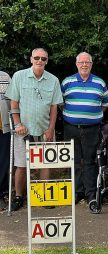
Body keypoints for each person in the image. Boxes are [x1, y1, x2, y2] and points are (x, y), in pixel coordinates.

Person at [5, 48, 63, 211]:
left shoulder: (53, 80)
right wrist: (17, 124)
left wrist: (51, 128)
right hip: (23, 131)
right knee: (22, 165)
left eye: (43, 59)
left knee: (45, 164)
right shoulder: (19, 76)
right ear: (31, 59)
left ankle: (44, 197)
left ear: (47, 61)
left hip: (45, 130)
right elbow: (14, 103)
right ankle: (18, 196)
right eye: (36, 58)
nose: (39, 61)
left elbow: (54, 107)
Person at [61, 52, 108, 204]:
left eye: (87, 62)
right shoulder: (67, 82)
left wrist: (91, 116)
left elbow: (105, 105)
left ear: (91, 64)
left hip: (92, 129)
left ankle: (91, 193)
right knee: (73, 160)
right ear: (76, 64)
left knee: (90, 161)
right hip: (71, 128)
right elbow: (60, 103)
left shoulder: (100, 83)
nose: (84, 65)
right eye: (81, 62)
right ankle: (76, 192)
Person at [0, 71, 11, 210]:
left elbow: (13, 99)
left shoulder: (5, 76)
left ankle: (1, 193)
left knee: (3, 162)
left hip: (3, 127)